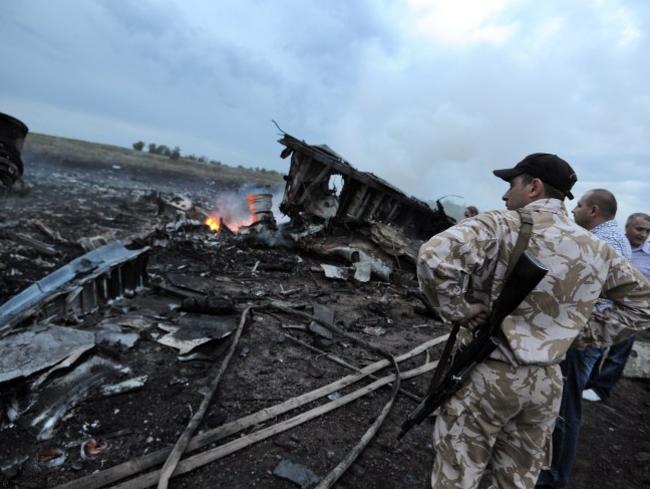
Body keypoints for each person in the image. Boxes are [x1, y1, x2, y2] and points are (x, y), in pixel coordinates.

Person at [417, 153, 650, 489]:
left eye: (512, 184)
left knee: (458, 474)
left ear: (534, 187)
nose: (504, 195)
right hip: (547, 383)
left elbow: (434, 256)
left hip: (489, 371)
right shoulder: (598, 250)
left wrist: (458, 310)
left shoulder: (501, 224)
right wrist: (577, 335)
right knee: (517, 480)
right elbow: (642, 304)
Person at [536, 189, 631, 489]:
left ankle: (552, 478)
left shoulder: (602, 242)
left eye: (578, 205)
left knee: (565, 407)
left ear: (593, 210)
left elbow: (581, 290)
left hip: (582, 334)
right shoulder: (614, 238)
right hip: (589, 332)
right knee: (564, 402)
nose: (573, 210)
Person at [583, 212, 650, 401]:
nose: (643, 234)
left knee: (618, 353)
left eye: (647, 231)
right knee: (596, 346)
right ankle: (588, 383)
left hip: (630, 311)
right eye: (639, 229)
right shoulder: (617, 246)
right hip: (605, 307)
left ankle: (601, 389)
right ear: (627, 227)